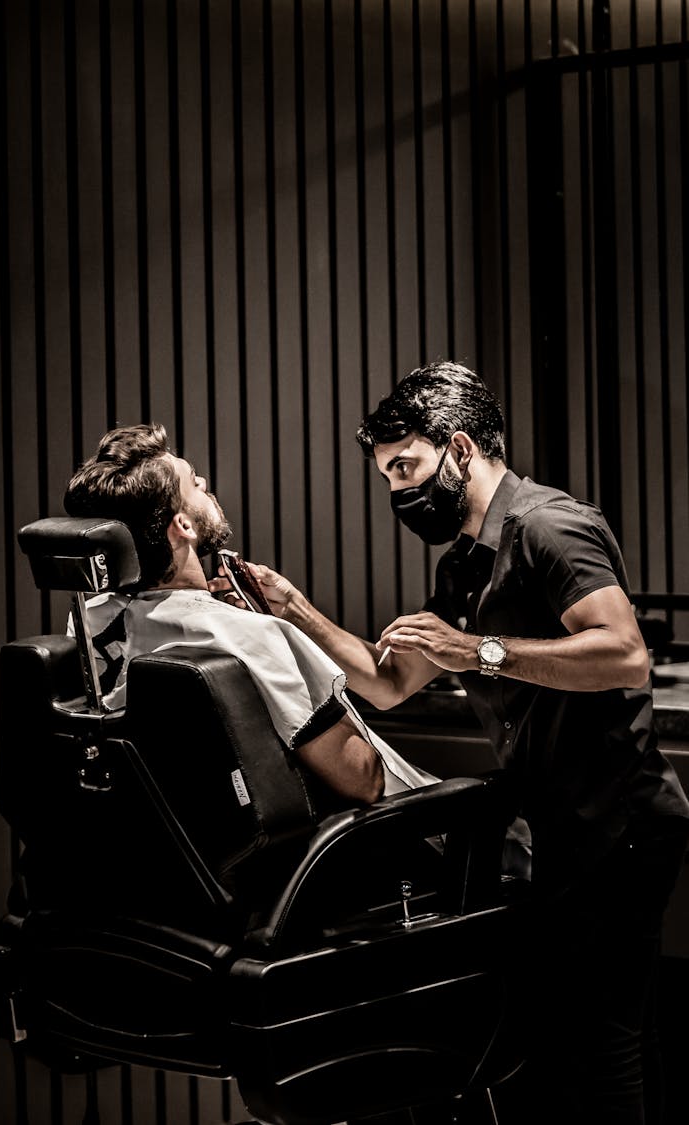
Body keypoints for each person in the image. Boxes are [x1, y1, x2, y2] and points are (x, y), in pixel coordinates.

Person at [213, 360, 689, 1125]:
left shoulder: (549, 526)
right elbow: (388, 678)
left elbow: (624, 652)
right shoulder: (463, 562)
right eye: (387, 475)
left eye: (407, 467)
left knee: (603, 1044)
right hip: (560, 825)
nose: (399, 491)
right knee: (599, 1036)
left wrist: (480, 651)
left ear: (460, 448)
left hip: (620, 824)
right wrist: (294, 608)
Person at [63, 422, 441, 811]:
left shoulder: (87, 624)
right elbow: (363, 780)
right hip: (398, 834)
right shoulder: (248, 635)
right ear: (183, 525)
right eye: (194, 482)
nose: (205, 482)